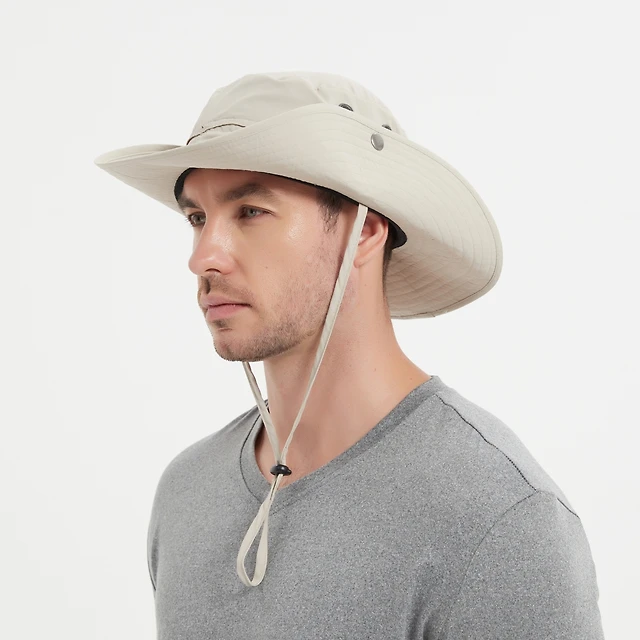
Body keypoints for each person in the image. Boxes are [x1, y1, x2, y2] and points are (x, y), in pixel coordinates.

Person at [94, 71, 605, 639]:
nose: (203, 257)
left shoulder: (496, 519)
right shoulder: (188, 493)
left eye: (251, 211)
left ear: (365, 232)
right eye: (197, 219)